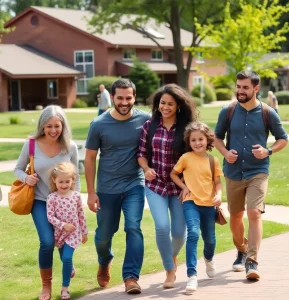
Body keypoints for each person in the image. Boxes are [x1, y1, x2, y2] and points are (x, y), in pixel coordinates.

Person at [214, 70, 288, 280]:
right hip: (234, 172)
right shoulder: (227, 111)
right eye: (238, 87)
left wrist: (268, 151)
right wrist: (226, 153)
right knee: (235, 216)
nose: (240, 91)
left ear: (256, 89)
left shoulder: (267, 113)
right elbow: (217, 138)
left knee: (254, 212)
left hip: (258, 171)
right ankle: (241, 248)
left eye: (245, 87)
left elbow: (282, 138)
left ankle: (252, 261)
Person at [85, 78, 150, 294]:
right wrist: (91, 192)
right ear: (111, 97)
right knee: (104, 235)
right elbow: (90, 158)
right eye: (120, 98)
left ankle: (131, 277)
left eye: (128, 98)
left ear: (134, 97)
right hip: (106, 188)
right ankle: (105, 260)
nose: (124, 102)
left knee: (133, 226)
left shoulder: (145, 120)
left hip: (134, 184)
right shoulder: (99, 124)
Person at [14, 105, 80, 300]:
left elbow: (76, 177)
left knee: (64, 239)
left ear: (63, 126)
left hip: (64, 202)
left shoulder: (70, 147)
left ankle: (66, 261)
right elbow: (17, 169)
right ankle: (46, 286)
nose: (53, 131)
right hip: (40, 201)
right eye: (48, 126)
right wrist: (26, 179)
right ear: (42, 126)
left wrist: (75, 201)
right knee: (47, 241)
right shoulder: (32, 145)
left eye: (57, 126)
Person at [137, 84, 197, 289]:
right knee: (162, 227)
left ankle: (171, 255)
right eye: (163, 103)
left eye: (170, 104)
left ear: (178, 105)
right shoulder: (150, 126)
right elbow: (141, 154)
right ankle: (169, 270)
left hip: (181, 186)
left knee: (180, 233)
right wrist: (146, 169)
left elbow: (197, 155)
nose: (165, 107)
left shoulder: (187, 128)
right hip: (156, 185)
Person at [170, 121, 223, 294]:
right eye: (193, 140)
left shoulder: (213, 160)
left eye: (201, 139)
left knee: (210, 239)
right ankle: (192, 276)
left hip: (208, 204)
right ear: (189, 141)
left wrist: (219, 195)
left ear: (207, 140)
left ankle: (208, 258)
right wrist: (184, 187)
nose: (197, 143)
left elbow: (217, 182)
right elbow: (174, 174)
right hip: (190, 201)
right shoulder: (186, 158)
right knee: (193, 233)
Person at [47, 162, 88, 300]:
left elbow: (81, 214)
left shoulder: (76, 196)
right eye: (61, 182)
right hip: (59, 234)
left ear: (72, 181)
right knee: (64, 259)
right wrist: (63, 225)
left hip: (73, 234)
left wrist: (84, 232)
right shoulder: (52, 197)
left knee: (66, 258)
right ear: (54, 180)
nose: (64, 184)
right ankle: (70, 268)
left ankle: (65, 289)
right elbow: (50, 216)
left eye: (67, 181)